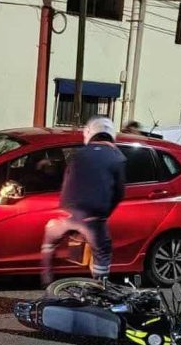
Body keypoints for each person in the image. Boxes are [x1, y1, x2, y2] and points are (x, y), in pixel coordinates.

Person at [40, 116, 126, 287]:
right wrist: (104, 214)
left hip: (66, 215)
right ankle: (100, 287)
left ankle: (46, 279)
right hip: (92, 219)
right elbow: (119, 192)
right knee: (102, 252)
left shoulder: (77, 154)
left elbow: (67, 182)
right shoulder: (118, 157)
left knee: (49, 240)